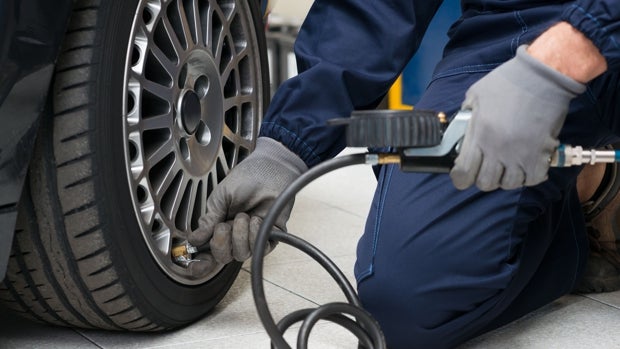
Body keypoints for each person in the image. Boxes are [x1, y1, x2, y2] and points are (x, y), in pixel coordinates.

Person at [189, 1, 620, 348]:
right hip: (514, 32)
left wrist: (576, 48)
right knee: (404, 302)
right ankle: (585, 185)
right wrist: (285, 149)